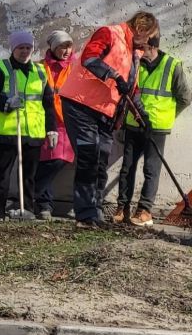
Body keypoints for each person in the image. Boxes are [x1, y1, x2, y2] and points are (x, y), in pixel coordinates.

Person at [59, 12, 159, 227]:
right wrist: (113, 76)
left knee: (101, 159)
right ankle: (85, 215)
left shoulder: (135, 52)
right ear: (141, 29)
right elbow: (89, 58)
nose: (150, 42)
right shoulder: (109, 33)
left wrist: (144, 118)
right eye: (149, 36)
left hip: (105, 112)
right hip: (80, 104)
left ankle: (95, 210)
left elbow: (132, 89)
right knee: (88, 156)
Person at [0, 31, 57, 220]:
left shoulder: (40, 71)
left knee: (29, 176)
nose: (24, 51)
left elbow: (48, 102)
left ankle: (27, 210)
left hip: (33, 132)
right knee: (2, 174)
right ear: (13, 48)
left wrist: (51, 128)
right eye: (21, 47)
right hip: (7, 131)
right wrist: (6, 103)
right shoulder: (2, 67)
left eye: (28, 48)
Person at [115, 34, 189, 226]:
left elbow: (185, 98)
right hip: (134, 125)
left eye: (143, 47)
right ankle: (122, 208)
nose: (139, 50)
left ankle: (145, 210)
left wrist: (167, 117)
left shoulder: (173, 65)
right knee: (127, 168)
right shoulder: (135, 64)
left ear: (153, 47)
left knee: (151, 169)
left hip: (157, 128)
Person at [37, 30, 76, 220]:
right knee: (46, 161)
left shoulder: (76, 66)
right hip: (45, 120)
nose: (67, 50)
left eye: (69, 46)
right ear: (53, 48)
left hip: (68, 121)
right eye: (62, 46)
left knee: (59, 160)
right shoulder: (40, 67)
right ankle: (44, 204)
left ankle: (38, 196)